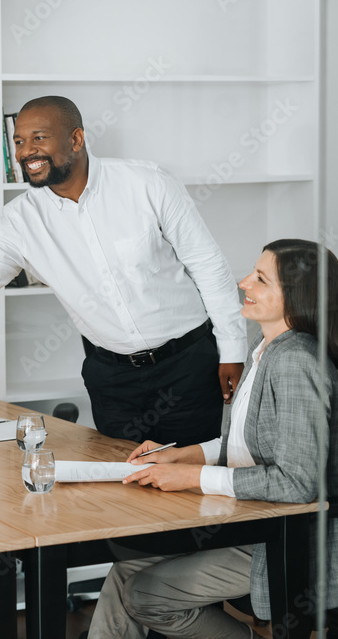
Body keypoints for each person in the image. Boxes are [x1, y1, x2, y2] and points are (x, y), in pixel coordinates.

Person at [0, 95, 246, 446]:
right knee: (127, 488)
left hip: (187, 365)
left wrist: (233, 347)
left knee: (195, 483)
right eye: (19, 141)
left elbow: (207, 265)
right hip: (112, 379)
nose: (25, 152)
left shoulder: (147, 184)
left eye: (38, 138)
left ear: (76, 138)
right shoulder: (20, 220)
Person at [87, 239, 338, 638]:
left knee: (144, 594)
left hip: (277, 541)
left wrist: (192, 478)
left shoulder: (296, 362)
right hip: (243, 520)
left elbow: (298, 482)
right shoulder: (265, 349)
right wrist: (181, 457)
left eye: (260, 279)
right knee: (127, 566)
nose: (243, 283)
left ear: (297, 295)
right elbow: (245, 444)